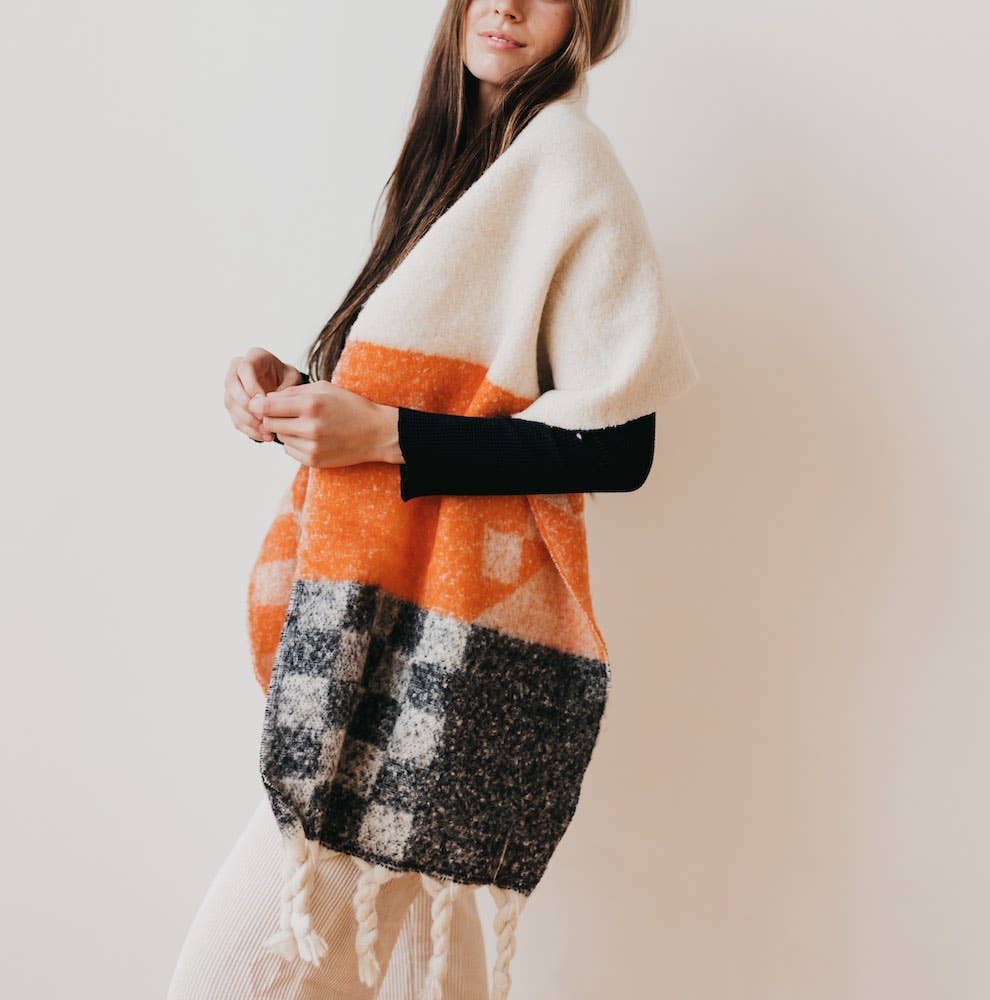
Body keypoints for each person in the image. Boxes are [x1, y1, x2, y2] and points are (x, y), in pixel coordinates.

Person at [169, 2, 687, 997]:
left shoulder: (565, 161)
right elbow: (412, 399)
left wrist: (386, 439)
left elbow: (623, 444)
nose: (506, 3)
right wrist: (293, 386)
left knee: (225, 977)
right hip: (388, 649)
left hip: (436, 667)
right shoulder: (451, 166)